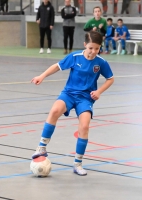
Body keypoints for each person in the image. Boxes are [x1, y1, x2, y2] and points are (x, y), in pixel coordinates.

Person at [31, 31, 114, 176]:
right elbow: (57, 66)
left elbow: (110, 79)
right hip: (69, 94)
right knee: (55, 111)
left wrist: (99, 91)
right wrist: (42, 76)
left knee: (84, 126)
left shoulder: (101, 62)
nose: (93, 52)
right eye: (90, 48)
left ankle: (78, 163)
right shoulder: (75, 57)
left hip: (85, 98)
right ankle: (42, 146)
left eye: (97, 48)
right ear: (84, 45)